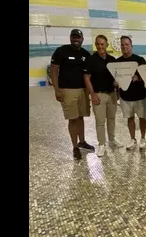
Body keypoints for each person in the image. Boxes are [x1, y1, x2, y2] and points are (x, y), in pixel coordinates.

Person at [50, 29, 94, 159]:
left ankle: (82, 141)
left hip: (83, 90)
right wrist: (56, 90)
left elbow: (90, 73)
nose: (76, 39)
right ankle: (75, 147)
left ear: (82, 39)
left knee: (81, 117)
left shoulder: (86, 54)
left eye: (78, 37)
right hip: (67, 90)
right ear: (70, 38)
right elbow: (53, 70)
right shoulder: (61, 51)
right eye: (74, 37)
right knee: (73, 118)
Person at [84, 35, 123, 157]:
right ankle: (101, 144)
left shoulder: (112, 60)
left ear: (107, 45)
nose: (100, 46)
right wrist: (93, 94)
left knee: (111, 119)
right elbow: (86, 78)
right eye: (98, 44)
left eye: (102, 44)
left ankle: (112, 139)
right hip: (99, 95)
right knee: (100, 121)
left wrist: (117, 90)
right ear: (96, 45)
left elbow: (117, 78)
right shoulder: (90, 60)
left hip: (111, 94)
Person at [115, 36, 146, 150]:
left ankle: (143, 138)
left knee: (142, 117)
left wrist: (137, 78)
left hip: (140, 95)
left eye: (126, 44)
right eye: (122, 44)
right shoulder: (117, 62)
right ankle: (132, 139)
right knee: (130, 118)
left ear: (131, 46)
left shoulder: (140, 60)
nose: (124, 46)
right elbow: (115, 78)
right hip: (125, 96)